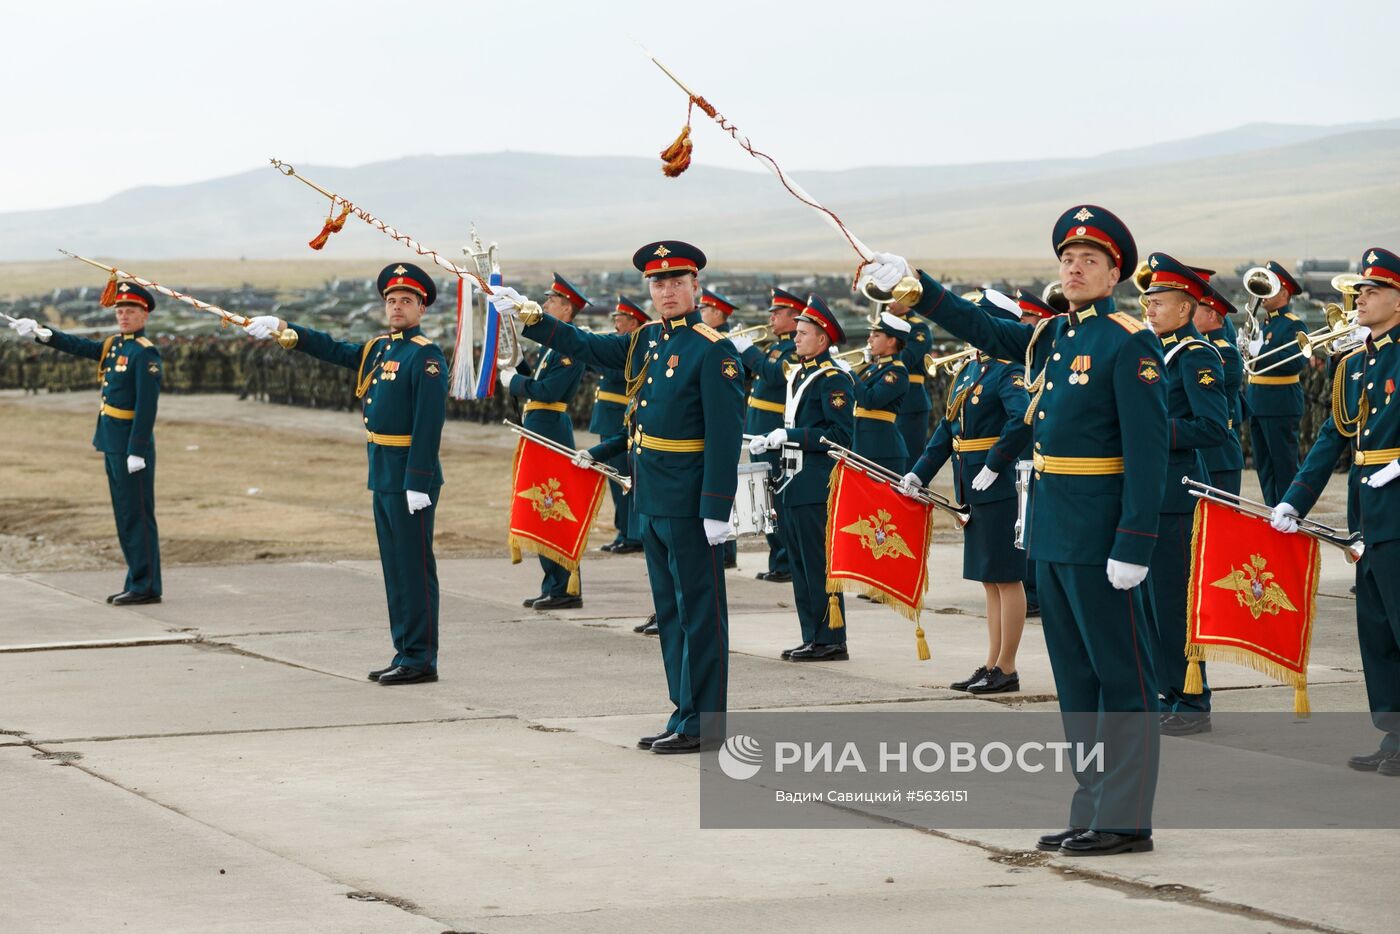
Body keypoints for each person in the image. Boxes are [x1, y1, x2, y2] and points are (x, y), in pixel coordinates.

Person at [861, 204, 1167, 855]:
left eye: (1089, 259)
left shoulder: (1128, 339)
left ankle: (1126, 819)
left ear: (1115, 272)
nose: (1075, 267)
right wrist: (918, 289)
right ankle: (1092, 808)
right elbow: (984, 326)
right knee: (1076, 680)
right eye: (1067, 258)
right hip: (1054, 531)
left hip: (1102, 537)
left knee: (1120, 676)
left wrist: (1136, 539)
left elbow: (1148, 449)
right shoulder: (1055, 336)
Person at [492, 241, 744, 754]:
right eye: (658, 283)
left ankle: (706, 723)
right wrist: (531, 317)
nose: (667, 291)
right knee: (671, 614)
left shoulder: (712, 348)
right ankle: (684, 712)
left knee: (699, 613)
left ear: (695, 287)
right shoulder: (647, 339)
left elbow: (725, 434)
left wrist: (716, 507)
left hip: (691, 501)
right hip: (651, 496)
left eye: (677, 282)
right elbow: (585, 345)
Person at [244, 263, 447, 685]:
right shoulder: (379, 349)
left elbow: (429, 423)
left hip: (410, 476)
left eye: (406, 301)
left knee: (413, 568)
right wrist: (286, 327)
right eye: (391, 301)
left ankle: (421, 658)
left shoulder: (425, 355)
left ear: (421, 308)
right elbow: (333, 348)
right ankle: (404, 650)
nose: (396, 307)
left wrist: (418, 480)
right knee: (395, 568)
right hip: (382, 471)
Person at [1272, 247, 1400, 776]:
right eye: (1359, 291)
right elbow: (1332, 439)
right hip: (1367, 512)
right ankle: (1394, 736)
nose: (1360, 299)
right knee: (1377, 630)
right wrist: (1293, 499)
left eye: (1372, 290)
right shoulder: (1356, 362)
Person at [902, 289, 1030, 695]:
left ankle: (1006, 666)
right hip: (972, 483)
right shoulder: (972, 370)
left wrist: (996, 462)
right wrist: (920, 473)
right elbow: (947, 428)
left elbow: (1023, 418)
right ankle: (992, 662)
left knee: (1006, 578)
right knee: (989, 579)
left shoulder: (1007, 369)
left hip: (998, 484)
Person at [10, 283, 164, 605]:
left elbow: (147, 406)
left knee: (136, 514)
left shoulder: (145, 352)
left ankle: (146, 585)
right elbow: (78, 346)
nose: (123, 316)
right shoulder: (114, 344)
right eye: (120, 311)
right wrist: (40, 331)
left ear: (144, 314)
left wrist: (137, 450)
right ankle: (138, 580)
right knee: (124, 513)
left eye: (130, 312)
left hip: (129, 447)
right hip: (112, 440)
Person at [1139, 255, 1228, 735]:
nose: (1149, 308)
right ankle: (1165, 691)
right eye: (1148, 300)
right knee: (1150, 603)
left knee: (1173, 604)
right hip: (1147, 493)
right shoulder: (1153, 351)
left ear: (1186, 307)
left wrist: (1151, 431)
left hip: (1177, 494)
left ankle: (1193, 700)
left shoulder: (1196, 356)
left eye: (1160, 301)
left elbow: (1213, 426)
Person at [749, 294, 854, 662]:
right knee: (798, 562)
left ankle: (831, 638)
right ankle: (811, 635)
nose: (796, 338)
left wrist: (792, 437)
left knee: (816, 561)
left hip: (816, 481)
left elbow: (841, 437)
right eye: (796, 333)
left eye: (803, 333)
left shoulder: (833, 378)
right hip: (792, 479)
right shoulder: (802, 373)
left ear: (823, 339)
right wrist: (774, 439)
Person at [502, 273, 590, 610]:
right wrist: (517, 362)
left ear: (566, 309)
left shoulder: (570, 349)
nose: (547, 303)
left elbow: (549, 392)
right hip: (539, 429)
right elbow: (537, 381)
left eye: (552, 301)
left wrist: (514, 384)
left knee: (554, 505)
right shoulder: (554, 347)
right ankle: (551, 583)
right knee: (541, 505)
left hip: (551, 430)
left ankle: (566, 587)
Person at [729, 288, 802, 583]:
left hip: (773, 431)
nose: (770, 318)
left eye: (777, 313)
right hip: (759, 430)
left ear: (793, 318)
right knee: (766, 501)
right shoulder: (775, 347)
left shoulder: (793, 349)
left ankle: (786, 563)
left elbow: (774, 376)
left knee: (777, 502)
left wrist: (749, 352)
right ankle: (778, 561)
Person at [1246, 261, 1307, 506]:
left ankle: (1290, 512)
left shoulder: (1293, 324)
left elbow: (1295, 362)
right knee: (1265, 467)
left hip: (1280, 402)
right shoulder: (1264, 323)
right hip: (1258, 401)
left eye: (1271, 287)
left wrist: (1261, 351)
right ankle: (1274, 511)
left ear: (1284, 293)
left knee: (1284, 467)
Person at [591, 295, 648, 556]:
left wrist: (597, 352)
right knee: (616, 482)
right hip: (608, 418)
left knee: (625, 481)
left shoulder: (635, 348)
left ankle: (633, 535)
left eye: (620, 319)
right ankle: (623, 532)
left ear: (633, 322)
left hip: (620, 421)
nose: (615, 324)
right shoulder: (622, 346)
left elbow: (619, 374)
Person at [700, 287, 741, 569]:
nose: (701, 314)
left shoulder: (721, 343)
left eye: (705, 310)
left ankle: (727, 551)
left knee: (724, 488)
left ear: (716, 313)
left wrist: (750, 352)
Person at [1195, 284, 1245, 495]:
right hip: (1202, 448)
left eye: (1195, 309)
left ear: (1212, 315)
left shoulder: (1226, 353)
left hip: (1219, 452)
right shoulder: (1198, 347)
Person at [852, 311, 911, 473]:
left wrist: (850, 374)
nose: (869, 339)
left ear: (891, 341)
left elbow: (870, 400)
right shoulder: (874, 368)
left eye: (876, 335)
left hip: (882, 450)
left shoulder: (897, 372)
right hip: (864, 446)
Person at [887, 299, 934, 463]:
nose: (888, 303)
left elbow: (907, 359)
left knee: (910, 462)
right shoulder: (884, 326)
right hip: (887, 397)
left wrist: (885, 347)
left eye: (893, 298)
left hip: (910, 401)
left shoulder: (918, 328)